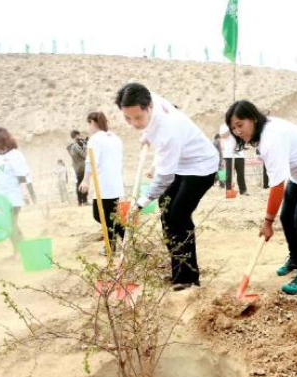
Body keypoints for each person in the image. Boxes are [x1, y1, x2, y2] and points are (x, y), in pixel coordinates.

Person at [226, 100, 297, 295]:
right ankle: (295, 258)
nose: (237, 131)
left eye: (240, 124)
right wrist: (272, 219)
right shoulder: (262, 133)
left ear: (252, 118)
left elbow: (277, 185)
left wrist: (267, 222)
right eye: (233, 127)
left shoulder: (271, 138)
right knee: (286, 216)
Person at [115, 83, 218, 291]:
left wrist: (141, 203)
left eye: (138, 118)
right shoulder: (149, 96)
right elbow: (150, 126)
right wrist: (146, 133)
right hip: (181, 161)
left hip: (201, 166)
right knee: (166, 214)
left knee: (178, 217)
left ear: (149, 107)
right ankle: (177, 269)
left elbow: (163, 178)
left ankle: (188, 277)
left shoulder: (167, 131)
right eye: (128, 118)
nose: (133, 123)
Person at [79, 112, 125, 254]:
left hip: (104, 186)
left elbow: (91, 161)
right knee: (111, 216)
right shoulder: (115, 138)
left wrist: (86, 180)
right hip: (117, 185)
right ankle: (114, 246)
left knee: (100, 216)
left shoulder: (95, 139)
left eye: (89, 124)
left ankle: (123, 240)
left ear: (92, 122)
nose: (89, 128)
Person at [0, 127, 35, 256]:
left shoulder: (15, 155)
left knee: (11, 224)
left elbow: (21, 176)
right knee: (8, 224)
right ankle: (19, 250)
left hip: (13, 196)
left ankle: (23, 251)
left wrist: (24, 193)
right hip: (0, 198)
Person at [220, 123, 248, 195]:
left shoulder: (240, 125)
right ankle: (229, 190)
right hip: (228, 154)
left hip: (239, 154)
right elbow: (222, 135)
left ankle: (243, 190)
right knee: (228, 174)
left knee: (241, 174)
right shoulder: (224, 126)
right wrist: (230, 129)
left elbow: (245, 137)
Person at [67, 130, 89, 206]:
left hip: (76, 168)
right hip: (82, 168)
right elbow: (85, 155)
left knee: (78, 184)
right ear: (76, 136)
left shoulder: (70, 147)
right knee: (84, 183)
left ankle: (80, 202)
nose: (80, 137)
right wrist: (85, 146)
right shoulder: (76, 146)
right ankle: (85, 201)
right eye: (79, 136)